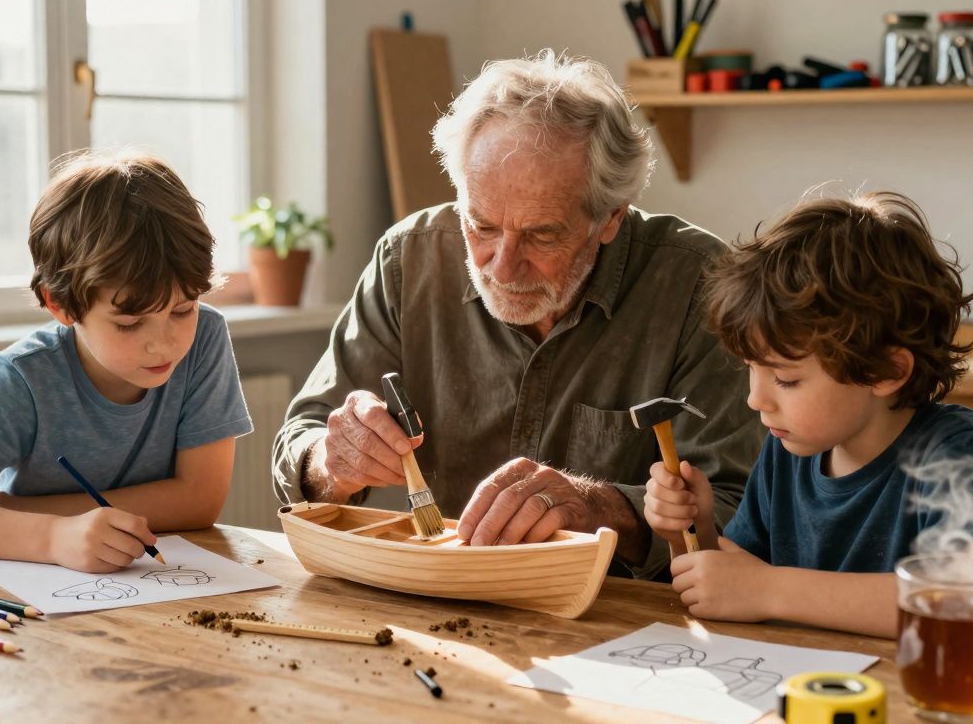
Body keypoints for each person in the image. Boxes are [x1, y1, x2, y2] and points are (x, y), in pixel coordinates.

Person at [272, 52, 762, 579]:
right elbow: (300, 442)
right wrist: (333, 458)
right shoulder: (407, 261)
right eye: (481, 225)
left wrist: (598, 507)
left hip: (627, 613)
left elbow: (745, 513)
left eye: (542, 234)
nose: (502, 266)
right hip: (450, 593)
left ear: (610, 218)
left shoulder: (699, 285)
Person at [644, 191, 973, 637]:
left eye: (786, 379)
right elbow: (742, 582)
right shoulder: (787, 450)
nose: (755, 400)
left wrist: (772, 590)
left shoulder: (959, 454)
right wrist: (695, 534)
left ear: (884, 370)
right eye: (751, 370)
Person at [0, 150, 252, 573]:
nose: (164, 344)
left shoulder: (205, 338)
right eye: (130, 323)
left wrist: (25, 509)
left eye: (182, 310)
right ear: (60, 304)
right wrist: (53, 537)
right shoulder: (25, 377)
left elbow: (199, 500)